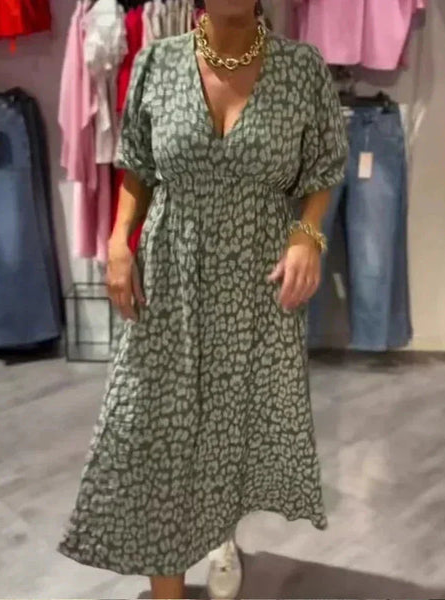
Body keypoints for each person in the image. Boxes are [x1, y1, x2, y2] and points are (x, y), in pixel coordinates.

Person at [57, 0, 348, 598]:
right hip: (170, 274)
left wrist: (308, 234)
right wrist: (118, 241)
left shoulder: (302, 68)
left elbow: (322, 170)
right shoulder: (156, 62)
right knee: (151, 430)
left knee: (229, 425)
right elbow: (138, 165)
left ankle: (219, 536)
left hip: (256, 283)